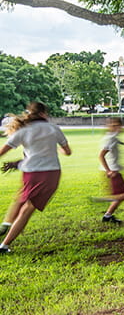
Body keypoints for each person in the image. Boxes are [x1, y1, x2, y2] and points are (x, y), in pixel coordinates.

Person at [0, 102, 71, 254]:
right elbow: (68, 152)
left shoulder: (23, 130)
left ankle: (5, 225)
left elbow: (2, 151)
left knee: (21, 197)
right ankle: (3, 246)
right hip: (50, 173)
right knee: (27, 209)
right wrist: (54, 148)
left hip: (30, 174)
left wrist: (17, 163)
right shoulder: (54, 128)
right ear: (43, 114)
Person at [93, 117, 124, 224]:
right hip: (112, 173)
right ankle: (104, 201)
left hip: (116, 171)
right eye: (113, 125)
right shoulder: (110, 139)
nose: (116, 127)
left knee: (123, 194)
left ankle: (107, 216)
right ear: (109, 127)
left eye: (118, 125)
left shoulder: (113, 137)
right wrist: (108, 171)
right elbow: (101, 156)